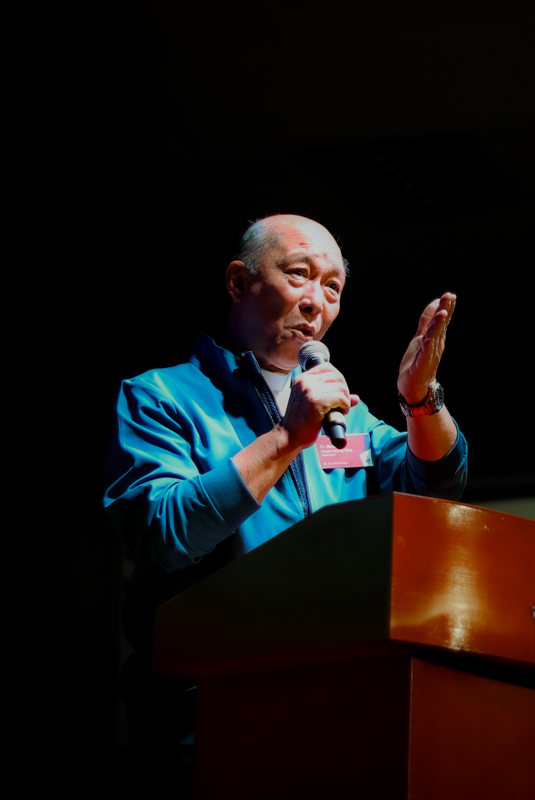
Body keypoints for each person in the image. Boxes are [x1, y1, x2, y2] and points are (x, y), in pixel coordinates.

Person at [105, 214, 467, 783]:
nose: (315, 300)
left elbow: (436, 483)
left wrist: (421, 399)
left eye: (333, 287)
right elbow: (164, 533)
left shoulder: (347, 417)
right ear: (238, 281)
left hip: (336, 716)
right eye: (299, 274)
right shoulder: (162, 397)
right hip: (206, 726)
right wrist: (287, 437)